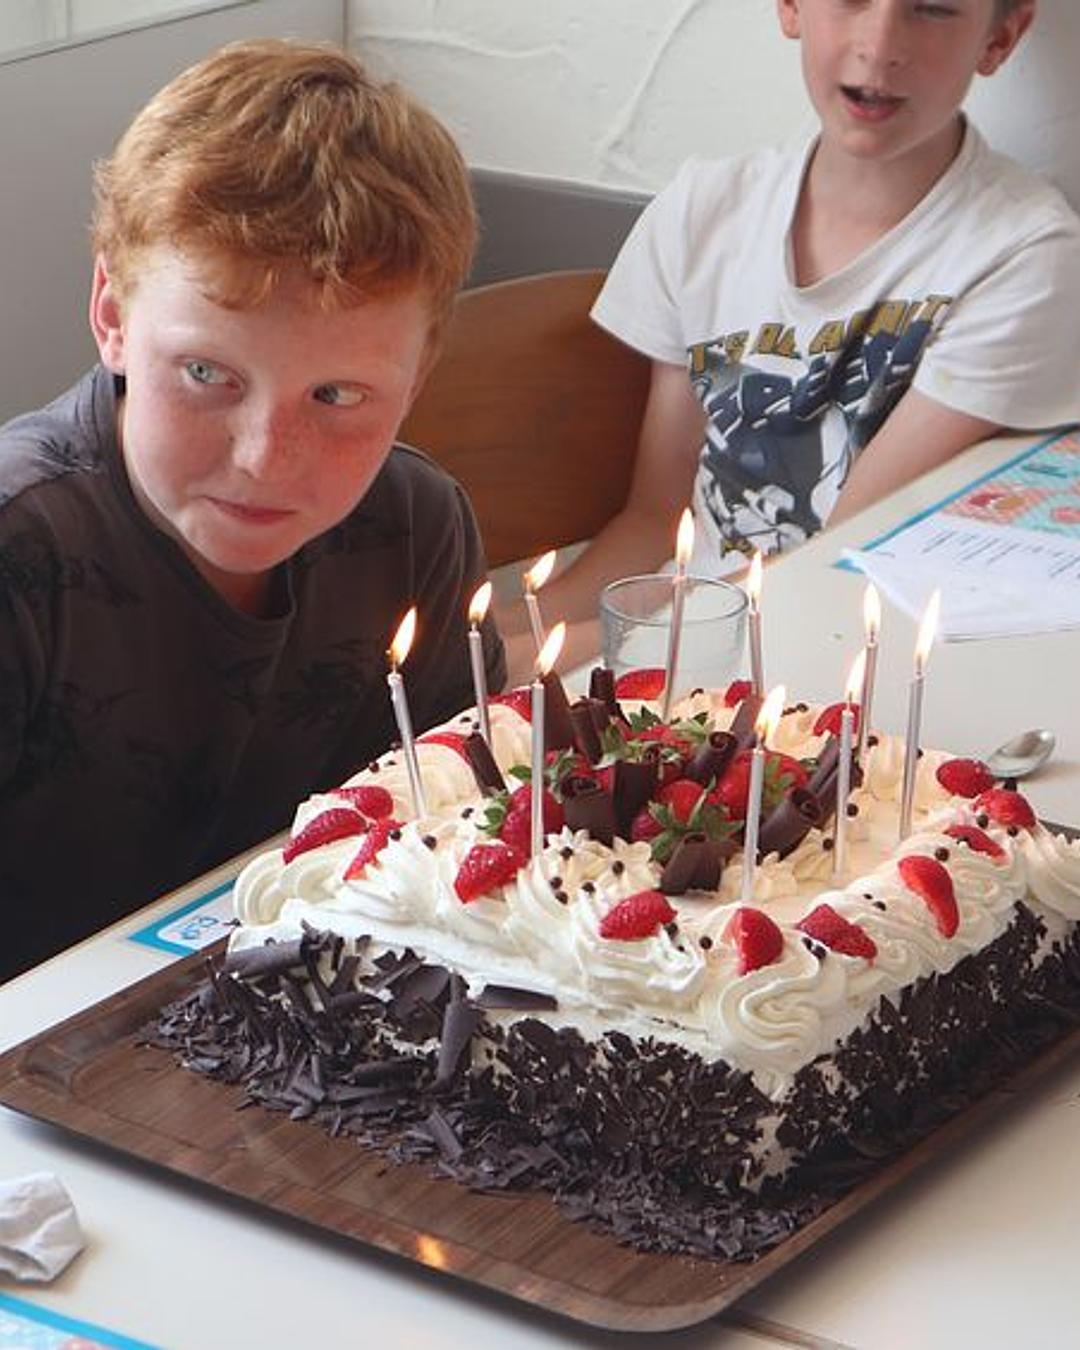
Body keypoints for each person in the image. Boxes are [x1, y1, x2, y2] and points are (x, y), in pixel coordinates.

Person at [0, 40, 504, 982]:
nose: (265, 459)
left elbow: (446, 846)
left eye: (337, 396)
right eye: (206, 373)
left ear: (418, 374)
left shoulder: (417, 530)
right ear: (112, 313)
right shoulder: (21, 552)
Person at [499, 0, 1080, 680]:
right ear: (792, 6)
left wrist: (538, 660)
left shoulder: (1024, 255)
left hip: (832, 662)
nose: (880, 45)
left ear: (1000, 37)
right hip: (677, 641)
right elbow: (653, 518)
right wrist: (506, 636)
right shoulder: (703, 212)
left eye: (931, 9)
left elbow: (826, 563)